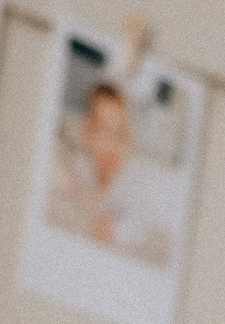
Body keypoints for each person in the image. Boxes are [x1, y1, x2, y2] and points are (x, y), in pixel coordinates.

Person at [49, 72, 177, 268]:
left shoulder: (135, 184)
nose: (112, 145)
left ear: (130, 142)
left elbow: (145, 224)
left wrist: (117, 230)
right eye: (104, 131)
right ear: (87, 132)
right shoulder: (77, 170)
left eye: (121, 134)